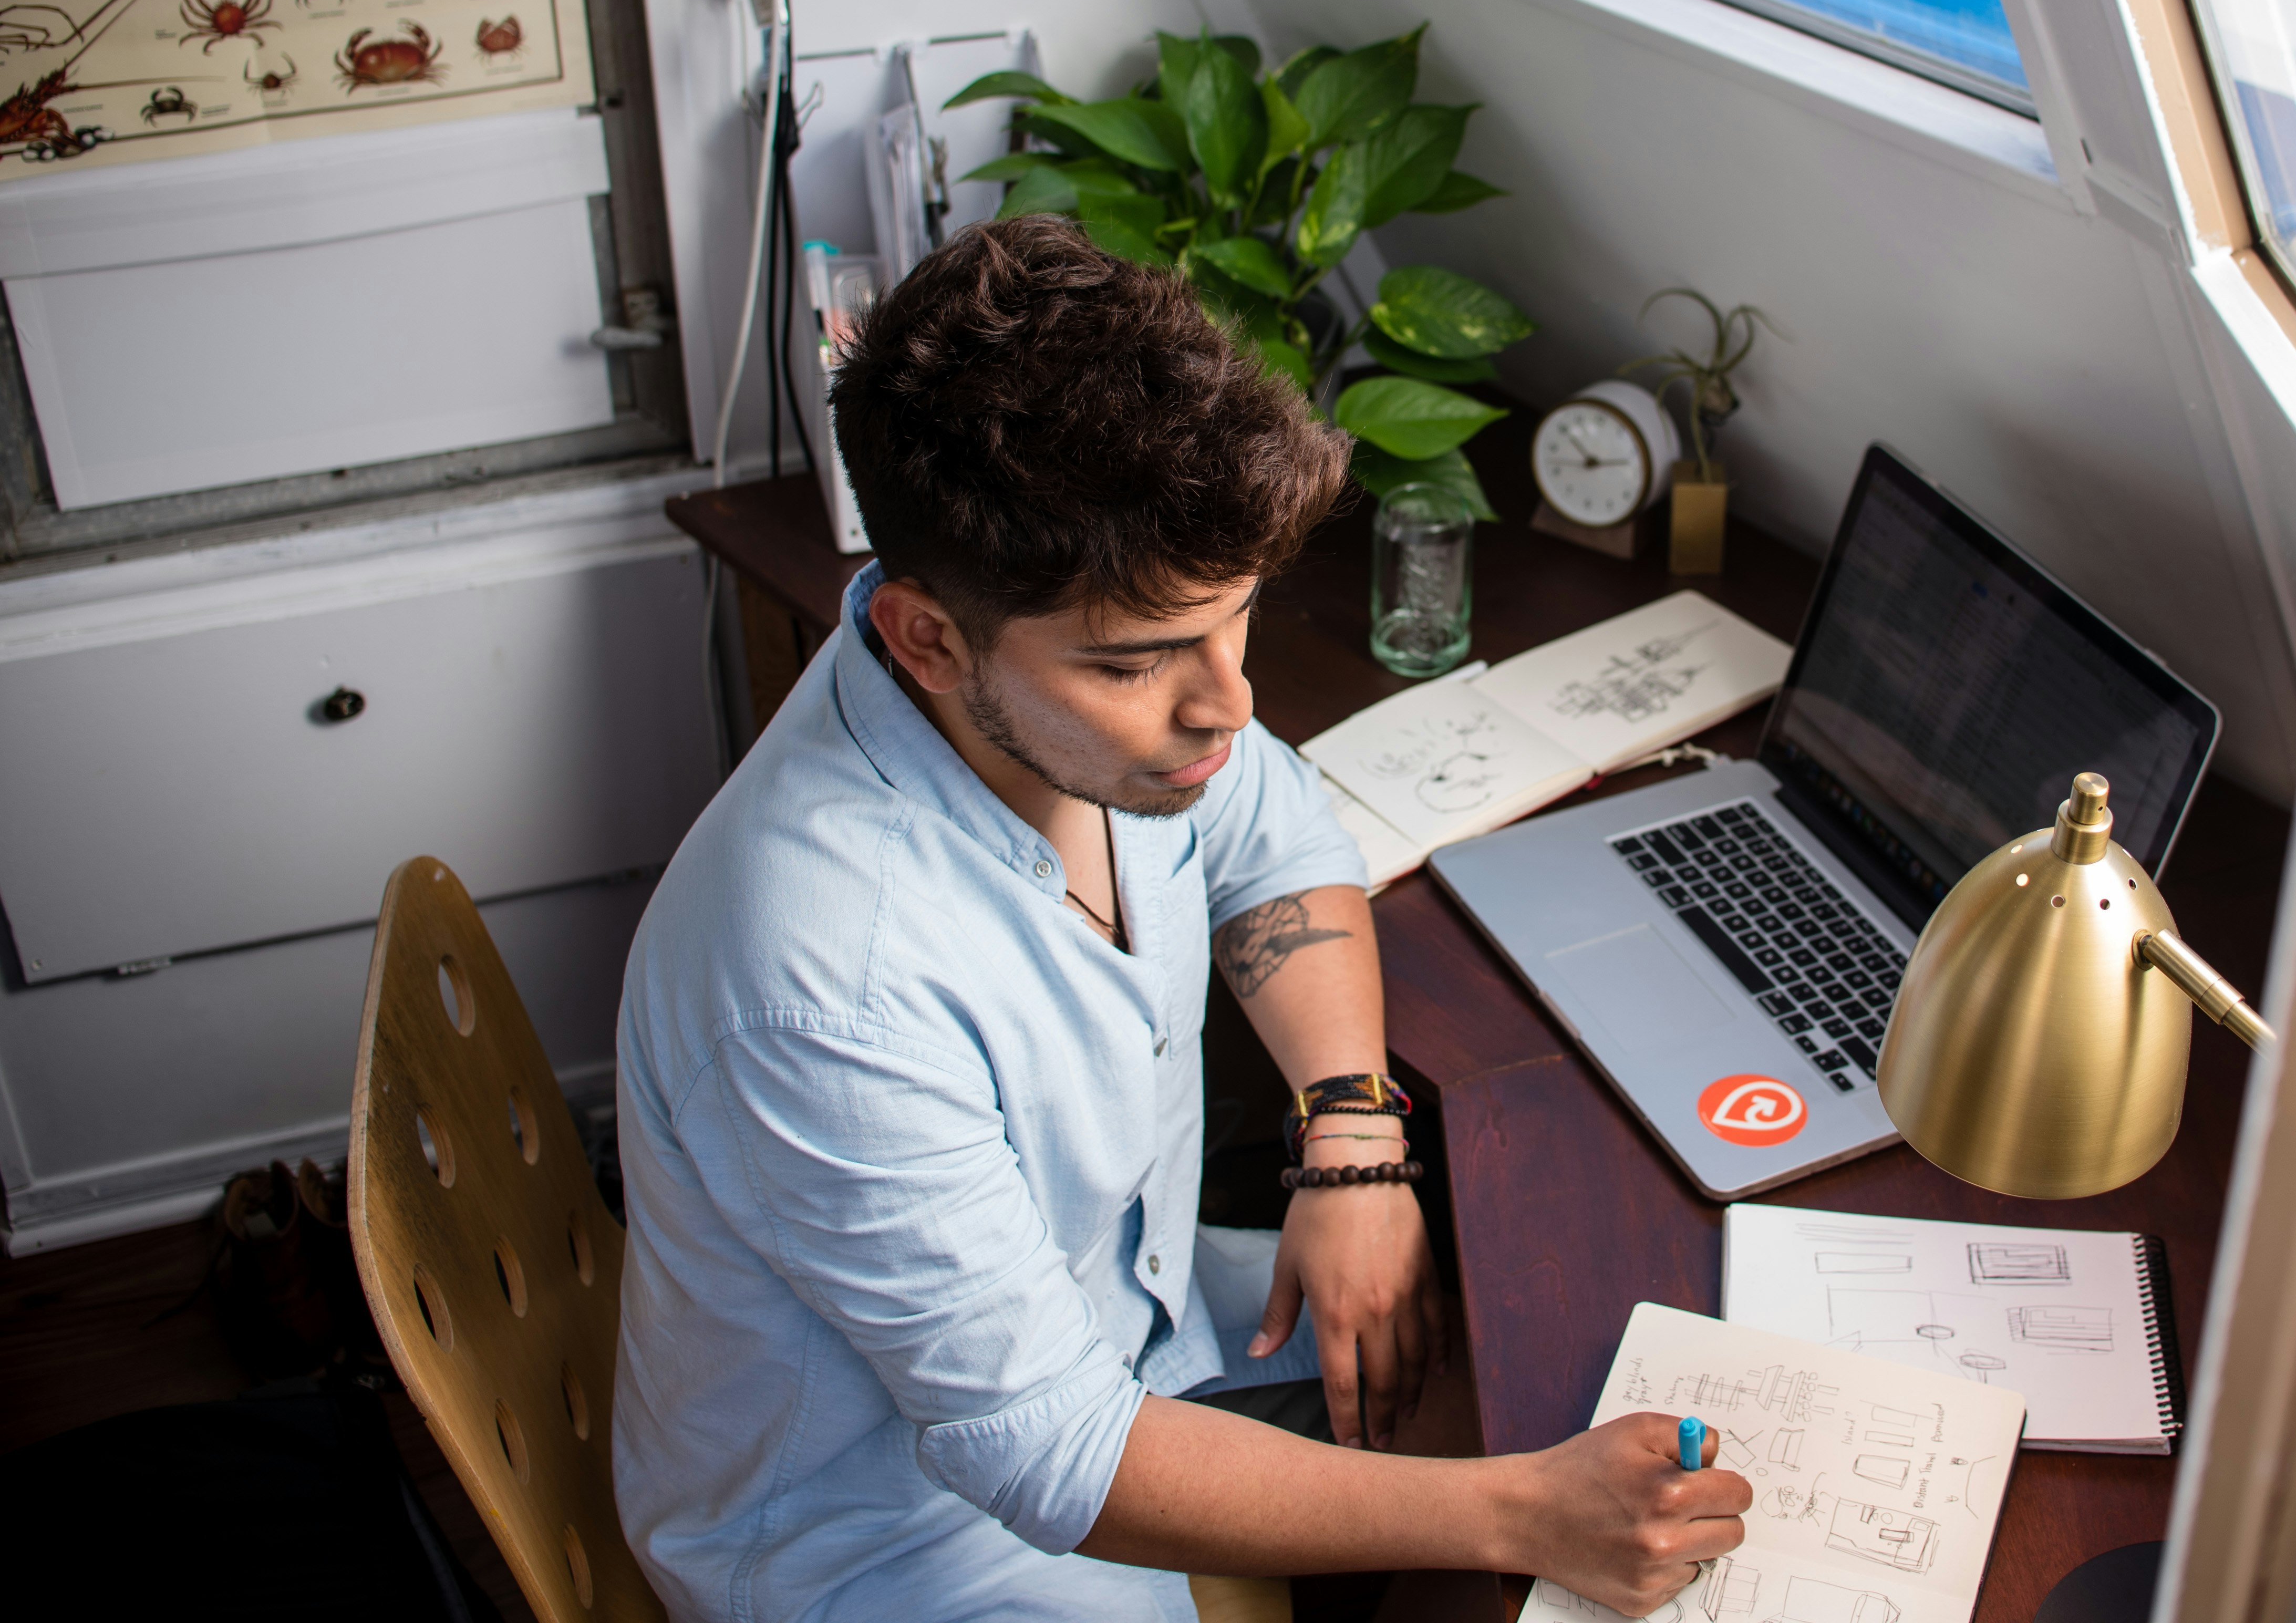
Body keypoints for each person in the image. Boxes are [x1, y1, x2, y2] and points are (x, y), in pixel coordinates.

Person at [611, 218, 1747, 1620]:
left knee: (1518, 1352)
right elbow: (1055, 1455)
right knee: (1519, 1486)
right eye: (1142, 661)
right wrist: (1523, 1516)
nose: (1230, 703)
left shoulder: (1081, 711)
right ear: (925, 637)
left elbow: (1279, 830)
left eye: (1239, 618)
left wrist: (1351, 1140)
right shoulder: (823, 983)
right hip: (896, 1540)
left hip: (1125, 1317)